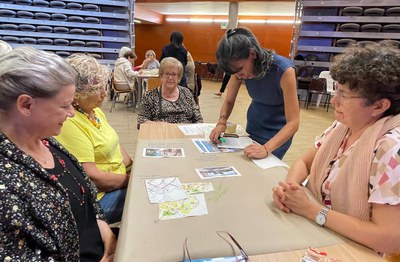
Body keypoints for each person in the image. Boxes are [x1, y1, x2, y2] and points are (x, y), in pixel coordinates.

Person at [272, 42, 400, 257]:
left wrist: (311, 210)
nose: (334, 100)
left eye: (344, 95)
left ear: (379, 106)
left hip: (358, 252)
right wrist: (291, 189)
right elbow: (305, 162)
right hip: (322, 234)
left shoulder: (390, 149)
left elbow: (388, 240)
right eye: (336, 90)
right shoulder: (343, 126)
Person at [0, 47, 116, 261]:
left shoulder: (45, 140)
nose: (72, 113)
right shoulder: (6, 185)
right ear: (26, 105)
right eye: (64, 105)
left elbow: (87, 192)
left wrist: (105, 232)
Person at [56, 54, 132, 224]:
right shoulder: (70, 122)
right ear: (77, 93)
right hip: (99, 199)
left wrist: (134, 167)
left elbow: (115, 144)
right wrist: (131, 180)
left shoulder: (94, 111)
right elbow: (94, 178)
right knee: (147, 199)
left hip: (117, 181)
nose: (104, 94)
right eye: (96, 89)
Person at [209, 28, 299, 159]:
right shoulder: (238, 70)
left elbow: (294, 122)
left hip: (277, 133)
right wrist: (221, 122)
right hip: (253, 126)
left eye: (240, 69)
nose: (239, 75)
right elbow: (229, 100)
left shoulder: (284, 71)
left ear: (252, 54)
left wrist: (267, 148)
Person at [138, 57, 203, 128]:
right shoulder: (149, 96)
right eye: (167, 74)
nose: (170, 78)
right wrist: (166, 126)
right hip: (161, 135)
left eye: (174, 74)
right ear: (161, 76)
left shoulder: (186, 93)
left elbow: (198, 118)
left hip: (186, 135)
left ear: (179, 78)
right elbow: (141, 122)